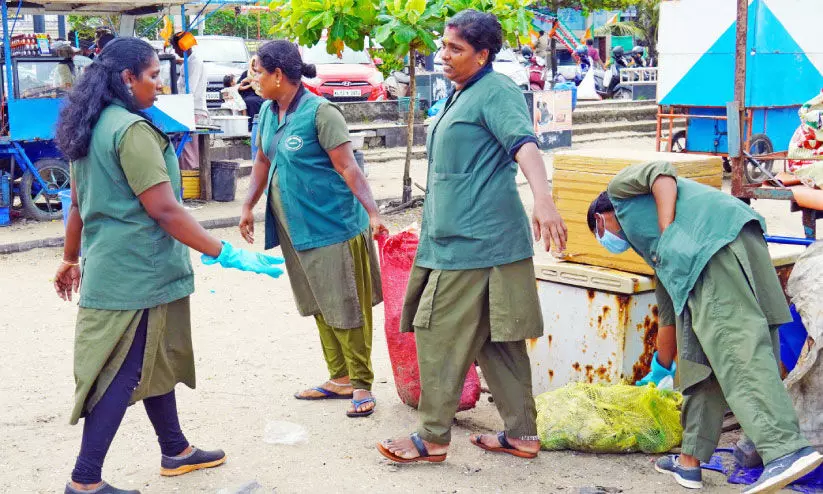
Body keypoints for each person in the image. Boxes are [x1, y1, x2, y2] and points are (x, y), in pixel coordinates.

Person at [53, 37, 284, 494]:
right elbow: (165, 210)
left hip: (121, 268)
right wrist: (227, 253)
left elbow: (77, 204)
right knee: (122, 370)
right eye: (153, 76)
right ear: (127, 78)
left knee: (152, 357)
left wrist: (68, 258)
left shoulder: (91, 126)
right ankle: (84, 482)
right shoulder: (131, 131)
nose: (157, 87)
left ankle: (174, 450)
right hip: (138, 273)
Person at [377, 10, 568, 464]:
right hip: (456, 236)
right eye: (444, 46)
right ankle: (522, 434)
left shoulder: (496, 90)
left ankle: (432, 437)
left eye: (456, 49)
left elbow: (524, 144)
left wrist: (544, 200)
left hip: (476, 242)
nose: (444, 55)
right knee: (497, 342)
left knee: (437, 332)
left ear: (483, 54)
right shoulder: (457, 94)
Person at [586, 161, 823, 493]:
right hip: (730, 244)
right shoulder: (657, 251)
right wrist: (661, 368)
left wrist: (667, 229)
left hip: (713, 249)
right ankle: (690, 462)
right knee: (700, 359)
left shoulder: (620, 191)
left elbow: (661, 173)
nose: (610, 241)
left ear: (601, 218)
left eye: (602, 235)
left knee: (735, 351)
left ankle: (785, 450)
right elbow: (669, 313)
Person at [238, 40, 388, 418]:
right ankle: (339, 377)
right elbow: (261, 159)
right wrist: (247, 206)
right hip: (296, 228)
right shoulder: (269, 113)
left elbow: (350, 168)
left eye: (257, 70)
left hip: (332, 225)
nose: (252, 78)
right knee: (319, 302)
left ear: (277, 75)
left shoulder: (322, 113)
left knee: (346, 304)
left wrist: (373, 212)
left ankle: (361, 382)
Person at [171, 31, 209, 171]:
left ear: (182, 46)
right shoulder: (189, 61)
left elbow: (189, 90)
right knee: (187, 153)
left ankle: (191, 189)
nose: (175, 51)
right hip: (190, 111)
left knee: (189, 155)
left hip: (194, 111)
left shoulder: (193, 63)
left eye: (176, 48)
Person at [238, 56, 265, 132]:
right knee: (251, 101)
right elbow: (239, 87)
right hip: (249, 94)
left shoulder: (264, 73)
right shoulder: (246, 73)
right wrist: (247, 82)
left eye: (256, 65)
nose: (254, 67)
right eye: (252, 65)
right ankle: (252, 126)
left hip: (263, 93)